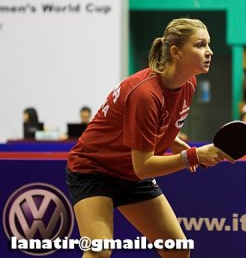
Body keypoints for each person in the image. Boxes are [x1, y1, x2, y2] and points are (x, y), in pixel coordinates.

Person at [66, 18, 233, 258]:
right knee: (99, 252)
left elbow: (156, 125)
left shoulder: (188, 84)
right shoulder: (144, 93)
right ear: (176, 52)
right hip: (94, 170)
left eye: (208, 44)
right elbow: (144, 167)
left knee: (178, 250)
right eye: (200, 45)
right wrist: (194, 155)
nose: (209, 51)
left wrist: (173, 143)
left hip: (131, 174)